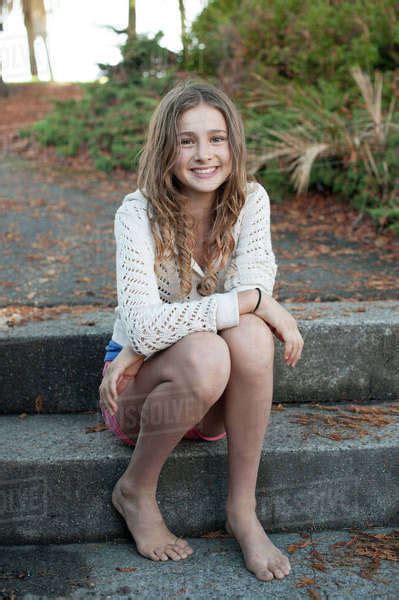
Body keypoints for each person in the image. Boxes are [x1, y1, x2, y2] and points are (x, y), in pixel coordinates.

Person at [99, 80, 304, 581]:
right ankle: (135, 491)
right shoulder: (137, 213)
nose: (204, 154)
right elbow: (144, 324)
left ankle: (242, 511)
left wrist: (249, 303)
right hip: (140, 398)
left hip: (214, 410)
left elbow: (247, 299)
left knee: (250, 336)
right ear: (166, 148)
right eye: (187, 140)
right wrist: (253, 300)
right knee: (214, 348)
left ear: (233, 143)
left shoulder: (251, 202)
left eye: (216, 138)